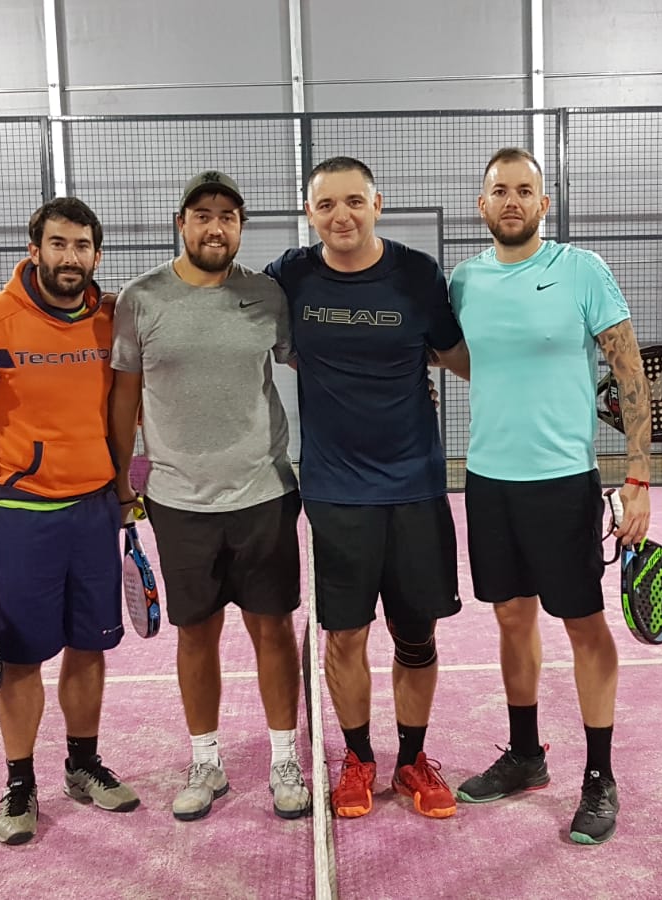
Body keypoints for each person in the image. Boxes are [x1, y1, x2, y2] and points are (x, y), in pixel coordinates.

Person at [447, 147, 653, 846]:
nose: (512, 201)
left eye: (524, 190)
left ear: (544, 203)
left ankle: (599, 777)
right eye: (499, 191)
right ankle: (525, 755)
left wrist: (638, 478)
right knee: (511, 617)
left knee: (583, 624)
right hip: (488, 480)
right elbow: (462, 358)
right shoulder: (464, 281)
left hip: (564, 482)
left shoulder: (582, 271)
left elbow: (629, 371)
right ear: (482, 205)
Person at [0, 197, 140, 846]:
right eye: (58, 244)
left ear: (96, 255)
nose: (70, 257)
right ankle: (20, 783)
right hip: (22, 517)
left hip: (95, 513)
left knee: (90, 645)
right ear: (35, 250)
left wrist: (130, 487)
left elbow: (132, 410)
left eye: (82, 246)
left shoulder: (111, 321)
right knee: (20, 657)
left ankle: (82, 764)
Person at [263, 157, 471, 820]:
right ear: (309, 213)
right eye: (326, 205)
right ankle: (357, 759)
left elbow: (462, 357)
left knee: (416, 637)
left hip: (415, 488)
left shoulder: (418, 275)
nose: (341, 216)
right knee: (345, 638)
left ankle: (413, 759)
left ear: (377, 204)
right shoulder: (289, 276)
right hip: (336, 493)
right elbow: (226, 312)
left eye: (354, 201)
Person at [107, 171, 311, 822]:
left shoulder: (267, 296)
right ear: (182, 224)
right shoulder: (140, 300)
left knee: (273, 629)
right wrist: (123, 481)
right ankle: (205, 761)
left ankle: (285, 758)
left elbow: (315, 364)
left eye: (227, 216)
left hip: (264, 493)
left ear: (241, 227)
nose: (215, 227)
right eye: (203, 215)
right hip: (178, 500)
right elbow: (124, 398)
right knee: (196, 633)